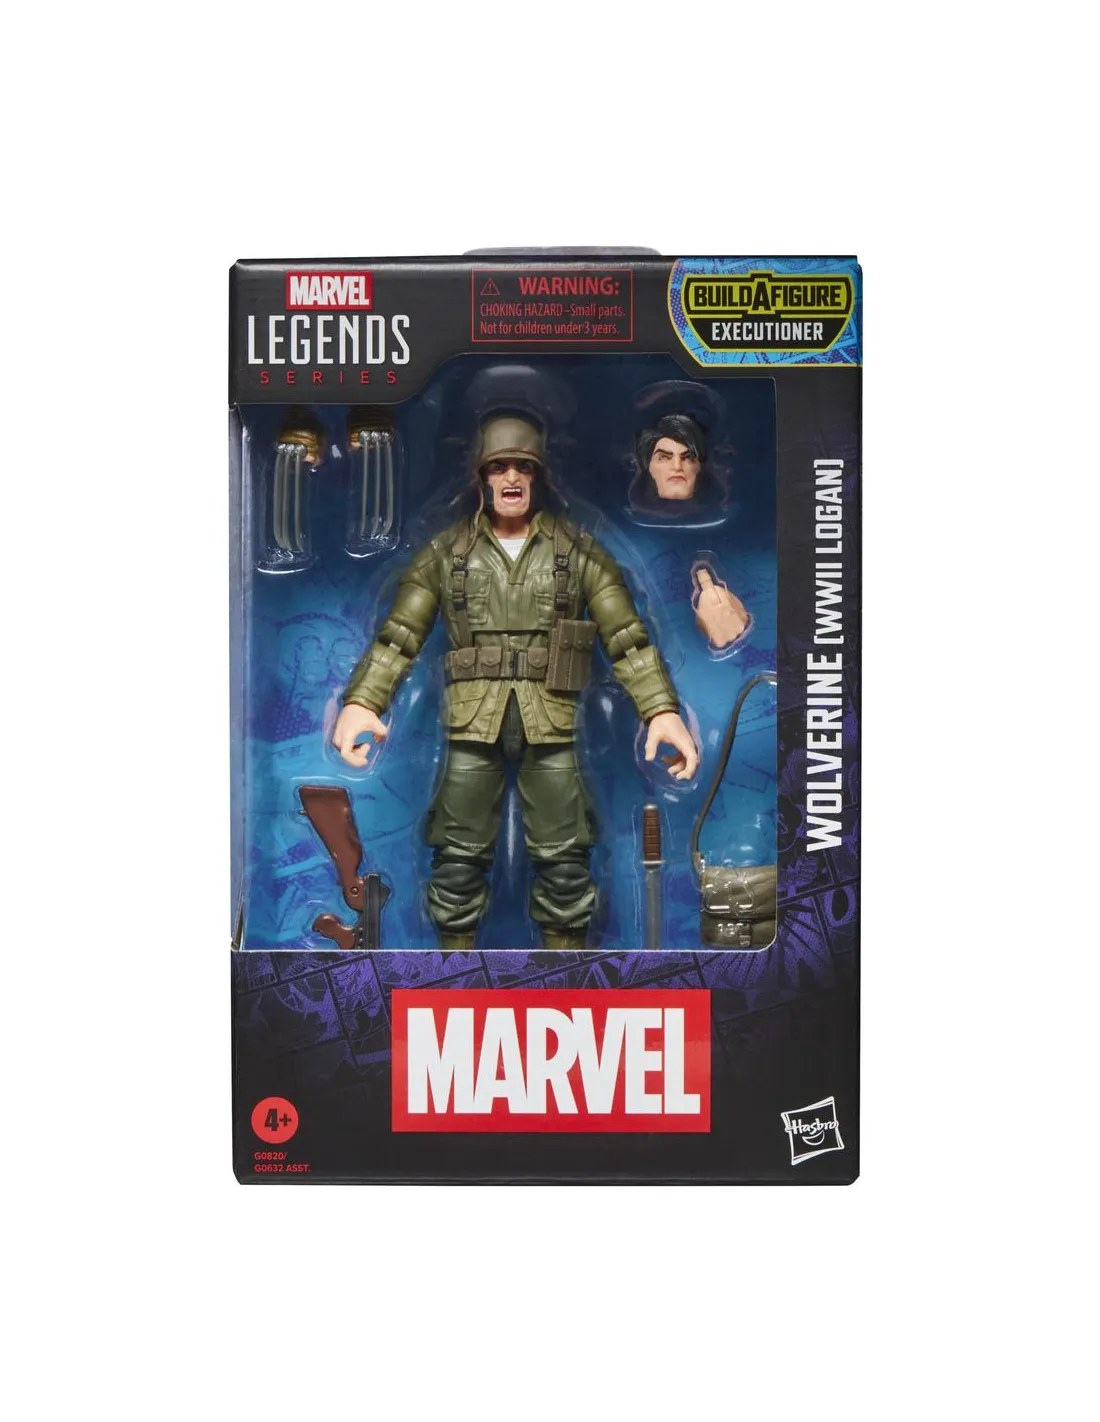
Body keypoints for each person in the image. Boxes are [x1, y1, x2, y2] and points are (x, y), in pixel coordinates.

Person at [332, 413, 699, 951]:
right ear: (480, 476)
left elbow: (627, 638)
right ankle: (453, 973)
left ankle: (565, 975)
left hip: (550, 721)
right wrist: (364, 702)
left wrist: (661, 711)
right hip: (471, 724)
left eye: (522, 467)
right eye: (499, 466)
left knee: (565, 861)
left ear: (538, 475)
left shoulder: (577, 552)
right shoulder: (447, 553)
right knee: (456, 861)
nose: (511, 477)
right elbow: (399, 635)